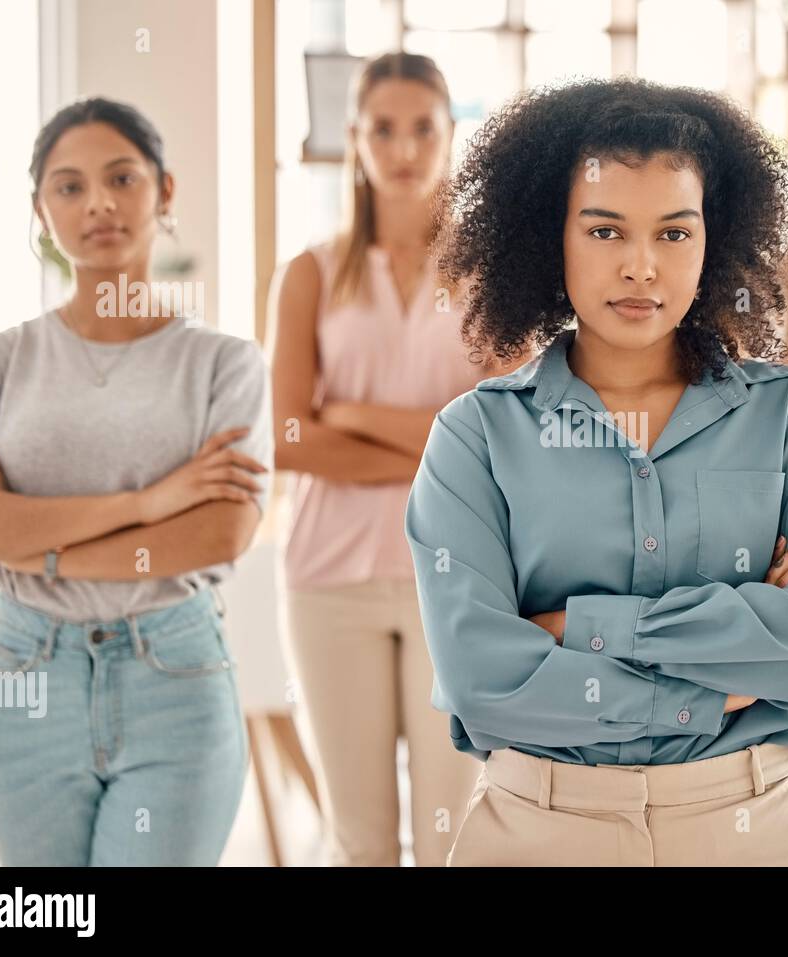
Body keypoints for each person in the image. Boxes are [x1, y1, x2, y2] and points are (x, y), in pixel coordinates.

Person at [404, 77, 788, 866]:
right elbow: (483, 679)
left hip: (757, 825)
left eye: (674, 233)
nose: (641, 267)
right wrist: (728, 673)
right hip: (543, 832)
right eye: (604, 231)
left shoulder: (787, 418)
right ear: (548, 235)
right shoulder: (474, 439)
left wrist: (581, 629)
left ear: (713, 239)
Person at [0, 97, 272, 866]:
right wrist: (150, 503)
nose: (98, 202)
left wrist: (27, 536)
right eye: (68, 186)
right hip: (26, 673)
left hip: (175, 674)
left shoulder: (224, 363)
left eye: (121, 177)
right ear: (40, 210)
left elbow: (220, 531)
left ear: (165, 191)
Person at [268, 53, 518, 867]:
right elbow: (287, 438)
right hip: (328, 579)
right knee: (360, 840)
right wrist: (435, 445)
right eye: (383, 128)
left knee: (455, 828)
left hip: (459, 577)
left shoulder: (490, 281)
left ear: (451, 137)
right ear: (355, 139)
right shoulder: (307, 274)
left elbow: (505, 438)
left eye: (423, 128)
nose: (404, 148)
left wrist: (354, 415)